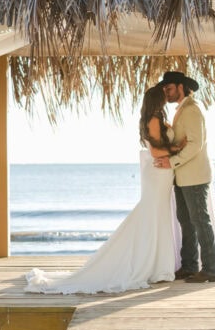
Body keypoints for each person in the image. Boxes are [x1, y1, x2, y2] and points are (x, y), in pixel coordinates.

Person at [24, 85, 180, 294]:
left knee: (156, 217)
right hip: (158, 175)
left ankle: (158, 265)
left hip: (163, 175)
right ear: (156, 100)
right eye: (162, 95)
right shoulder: (153, 119)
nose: (166, 97)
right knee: (154, 216)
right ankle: (153, 266)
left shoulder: (157, 118)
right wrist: (177, 149)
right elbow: (155, 151)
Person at [154, 71, 215, 283]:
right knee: (186, 221)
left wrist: (171, 162)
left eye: (169, 88)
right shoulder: (182, 110)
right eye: (165, 89)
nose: (166, 92)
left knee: (200, 221)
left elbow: (195, 144)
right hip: (183, 176)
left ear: (181, 87)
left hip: (194, 176)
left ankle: (211, 269)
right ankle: (190, 265)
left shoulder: (192, 109)